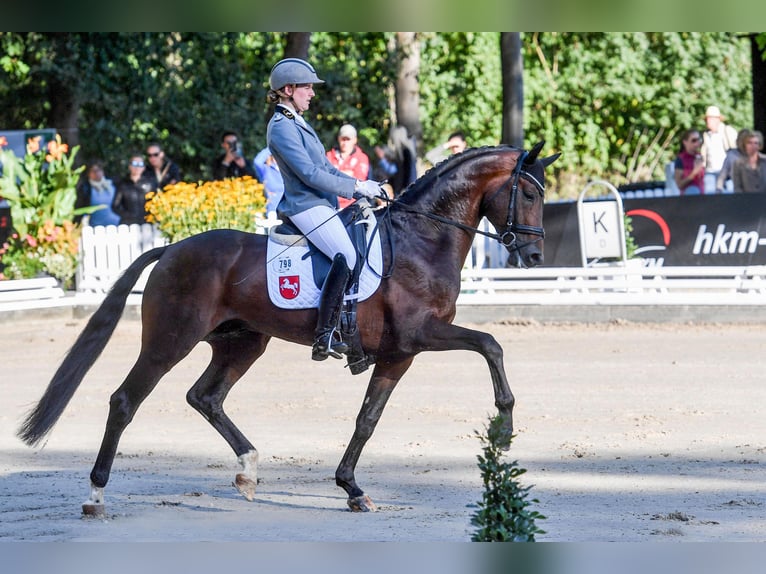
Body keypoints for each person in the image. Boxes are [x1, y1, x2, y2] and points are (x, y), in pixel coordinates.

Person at [265, 57, 382, 361]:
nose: (312, 93)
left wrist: (362, 183)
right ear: (288, 89)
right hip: (304, 205)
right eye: (307, 87)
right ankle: (325, 333)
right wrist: (356, 189)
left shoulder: (298, 123)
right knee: (347, 255)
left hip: (321, 202)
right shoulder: (280, 128)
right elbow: (309, 174)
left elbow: (326, 167)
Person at [326, 123, 370, 208]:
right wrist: (347, 174)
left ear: (355, 140)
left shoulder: (362, 158)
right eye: (343, 139)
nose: (345, 142)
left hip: (352, 204)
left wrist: (335, 177)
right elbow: (324, 179)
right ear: (339, 139)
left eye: (348, 139)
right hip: (330, 203)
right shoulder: (329, 155)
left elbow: (358, 182)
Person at [701, 105, 738, 194]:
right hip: (710, 174)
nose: (708, 121)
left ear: (717, 119)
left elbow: (736, 152)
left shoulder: (728, 131)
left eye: (710, 118)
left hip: (727, 175)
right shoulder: (706, 135)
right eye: (707, 119)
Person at [112, 154, 154, 225]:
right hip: (128, 224)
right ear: (129, 166)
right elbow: (115, 205)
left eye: (140, 164)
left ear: (144, 167)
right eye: (134, 164)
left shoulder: (150, 184)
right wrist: (128, 215)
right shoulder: (123, 184)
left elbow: (154, 202)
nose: (137, 167)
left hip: (147, 223)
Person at [75, 161, 121, 226]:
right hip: (94, 226)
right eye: (93, 171)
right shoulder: (85, 189)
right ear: (88, 174)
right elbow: (82, 208)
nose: (96, 173)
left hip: (116, 225)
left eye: (99, 170)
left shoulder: (112, 184)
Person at [384, 125, 417, 197]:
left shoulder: (406, 152)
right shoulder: (402, 152)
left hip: (403, 189)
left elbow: (410, 173)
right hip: (399, 188)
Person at [252, 146, 285, 216]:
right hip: (273, 211)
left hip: (289, 209)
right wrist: (272, 145)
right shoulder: (266, 169)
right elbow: (257, 162)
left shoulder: (288, 170)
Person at [716, 129, 751, 193]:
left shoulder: (755, 156)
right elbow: (723, 174)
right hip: (735, 188)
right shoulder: (731, 155)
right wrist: (718, 190)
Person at [732, 130, 766, 194]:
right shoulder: (737, 164)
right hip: (746, 200)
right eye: (749, 143)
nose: (753, 146)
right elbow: (737, 187)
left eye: (756, 143)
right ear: (744, 145)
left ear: (759, 145)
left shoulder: (764, 160)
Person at [673, 129, 705, 196]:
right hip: (688, 198)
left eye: (699, 140)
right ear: (685, 142)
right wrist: (693, 173)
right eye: (693, 140)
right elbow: (680, 185)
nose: (697, 143)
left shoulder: (699, 156)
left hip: (701, 197)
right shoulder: (680, 159)